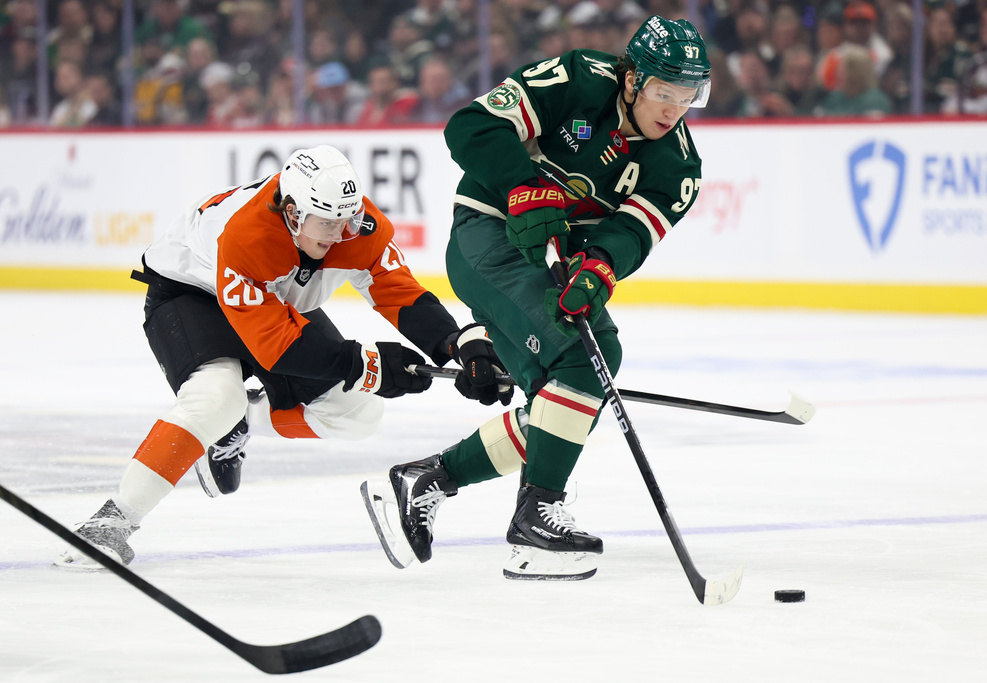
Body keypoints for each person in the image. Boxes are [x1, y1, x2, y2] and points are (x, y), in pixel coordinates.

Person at [361, 15, 709, 580]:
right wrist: (523, 185)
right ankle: (536, 516)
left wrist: (598, 265)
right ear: (631, 79)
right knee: (587, 359)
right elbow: (469, 127)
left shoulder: (679, 165)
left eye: (688, 95)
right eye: (664, 91)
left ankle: (429, 479)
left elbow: (631, 232)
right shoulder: (575, 79)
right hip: (487, 233)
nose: (674, 108)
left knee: (562, 397)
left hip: (553, 257)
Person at [55, 145, 511, 569]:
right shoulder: (246, 235)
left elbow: (397, 290)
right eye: (328, 224)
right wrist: (367, 363)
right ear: (292, 213)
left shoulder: (355, 225)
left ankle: (243, 422)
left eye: (348, 221)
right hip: (193, 296)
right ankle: (112, 521)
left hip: (272, 301)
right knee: (215, 399)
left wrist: (458, 342)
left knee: (359, 412)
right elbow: (273, 343)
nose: (341, 235)